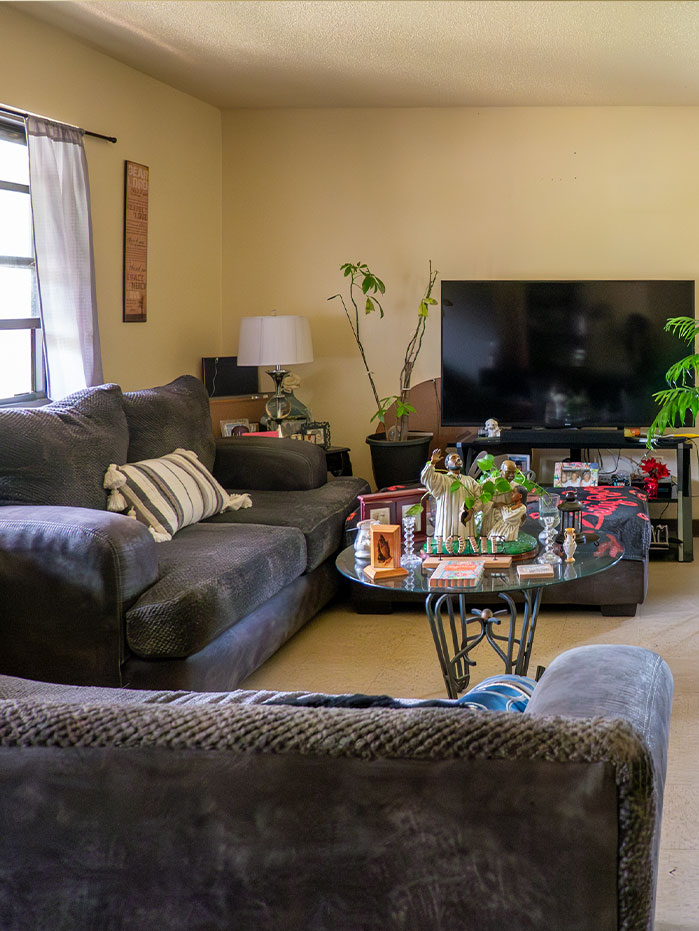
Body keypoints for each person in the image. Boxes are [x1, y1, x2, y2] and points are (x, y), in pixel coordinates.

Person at [421, 449, 481, 543]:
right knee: (446, 542)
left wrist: (472, 510)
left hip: (465, 524)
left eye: (458, 458)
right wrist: (432, 463)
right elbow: (426, 478)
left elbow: (479, 497)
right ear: (446, 465)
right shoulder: (441, 479)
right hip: (447, 523)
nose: (457, 459)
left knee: (467, 542)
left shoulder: (470, 481)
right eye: (453, 458)